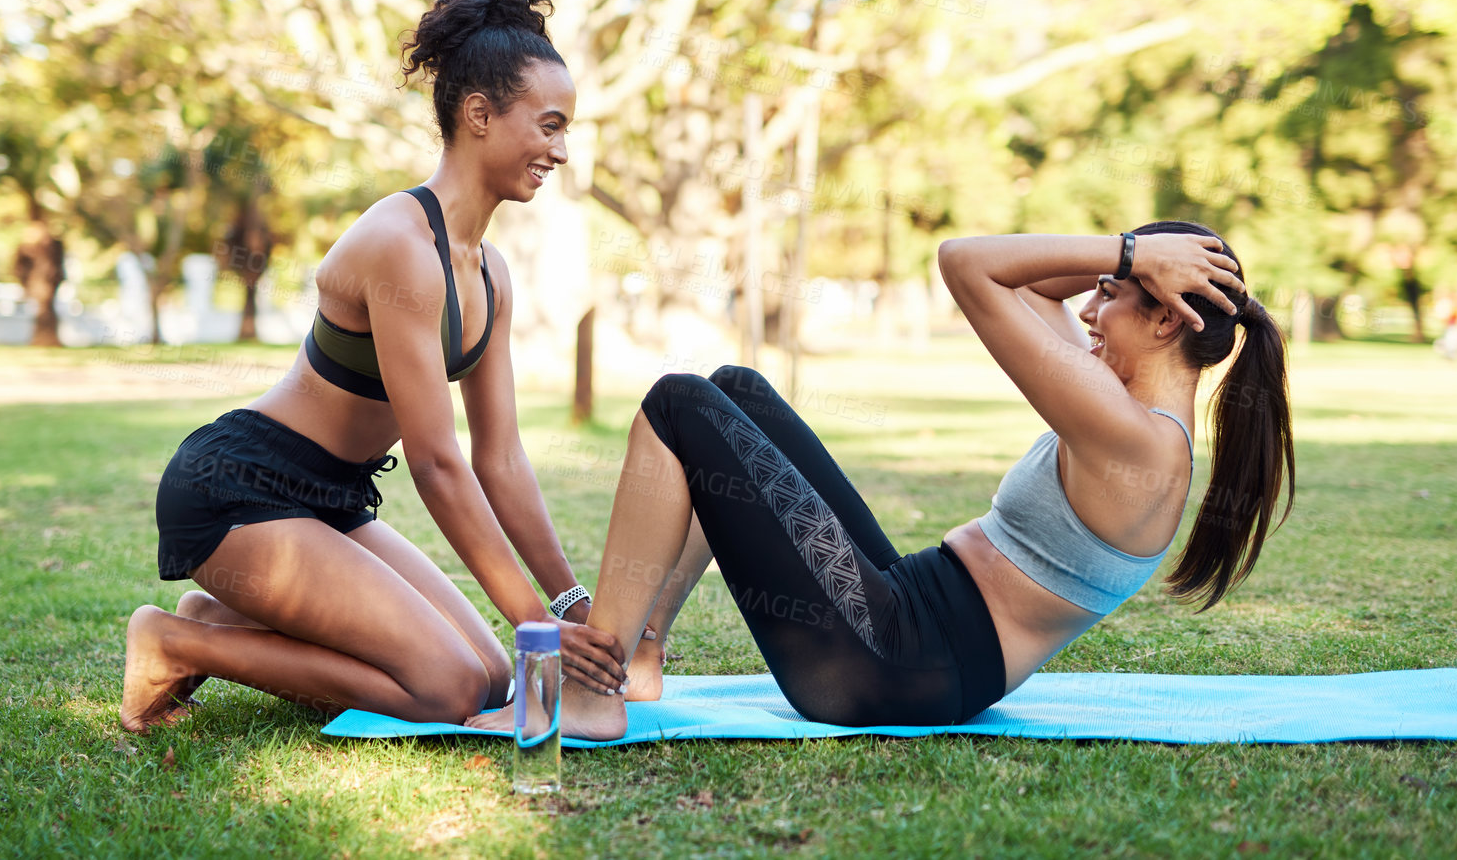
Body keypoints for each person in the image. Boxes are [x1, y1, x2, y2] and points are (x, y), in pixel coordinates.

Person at [472, 222, 1295, 739]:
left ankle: (588, 691)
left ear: (1163, 320)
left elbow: (966, 264)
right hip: (909, 622)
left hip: (892, 664)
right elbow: (1033, 283)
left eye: (1109, 295)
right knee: (735, 391)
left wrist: (1128, 252)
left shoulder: (1131, 439)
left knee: (676, 405)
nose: (1086, 309)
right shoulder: (1126, 413)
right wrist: (1134, 255)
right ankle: (643, 653)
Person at [119, 0, 633, 733]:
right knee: (448, 689)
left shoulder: (489, 272)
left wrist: (566, 604)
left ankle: (216, 616)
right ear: (480, 114)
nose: (560, 150)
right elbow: (436, 462)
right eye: (549, 125)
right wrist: (534, 622)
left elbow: (501, 458)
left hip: (329, 501)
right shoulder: (400, 245)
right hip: (238, 493)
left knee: (492, 673)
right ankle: (174, 640)